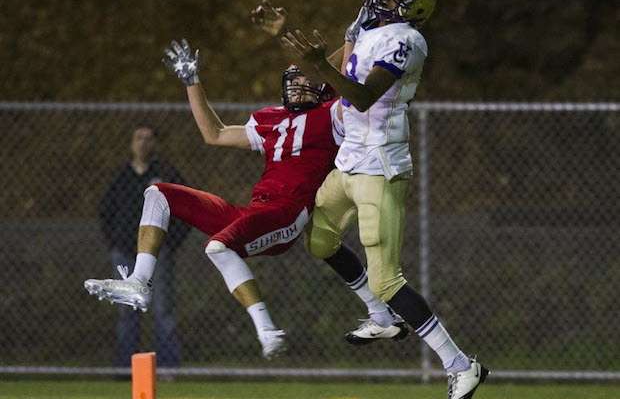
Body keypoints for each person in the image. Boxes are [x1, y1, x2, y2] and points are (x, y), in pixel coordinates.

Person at [253, 0, 488, 399]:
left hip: (380, 166)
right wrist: (287, 35)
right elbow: (329, 78)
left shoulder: (408, 40)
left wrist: (320, 63)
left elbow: (360, 96)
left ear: (411, 6)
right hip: (349, 162)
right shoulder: (364, 27)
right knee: (320, 240)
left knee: (387, 279)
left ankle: (461, 365)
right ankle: (381, 318)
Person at [85, 39, 406, 359]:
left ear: (322, 87)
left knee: (217, 246)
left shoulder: (331, 115)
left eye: (305, 81)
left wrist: (351, 40)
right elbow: (215, 134)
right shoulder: (270, 119)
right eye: (292, 81)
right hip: (254, 210)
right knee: (158, 194)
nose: (297, 86)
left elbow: (349, 85)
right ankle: (140, 282)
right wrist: (191, 81)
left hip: (288, 212)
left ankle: (267, 329)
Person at [98, 125, 189, 368]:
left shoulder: (166, 174)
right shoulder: (122, 177)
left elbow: (186, 208)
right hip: (125, 254)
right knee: (127, 311)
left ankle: (168, 368)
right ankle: (126, 368)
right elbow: (105, 213)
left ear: (155, 144)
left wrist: (170, 243)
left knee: (163, 310)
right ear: (131, 143)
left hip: (158, 254)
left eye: (149, 138)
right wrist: (115, 244)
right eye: (139, 138)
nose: (143, 143)